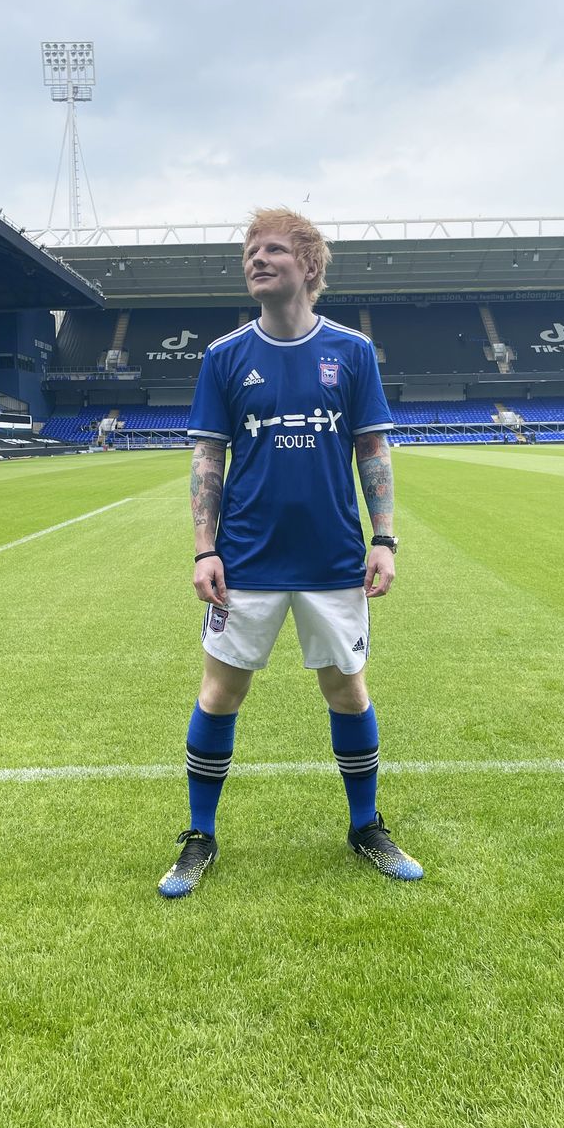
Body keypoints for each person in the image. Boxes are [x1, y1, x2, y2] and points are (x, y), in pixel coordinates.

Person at [157, 208, 423, 899]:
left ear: (308, 265)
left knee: (348, 689)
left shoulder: (352, 352)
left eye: (272, 248)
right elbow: (207, 457)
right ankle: (199, 835)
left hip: (333, 559)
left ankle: (365, 826)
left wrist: (384, 538)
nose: (256, 258)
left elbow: (372, 448)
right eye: (250, 250)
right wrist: (204, 549)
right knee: (220, 692)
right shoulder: (224, 356)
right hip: (246, 559)